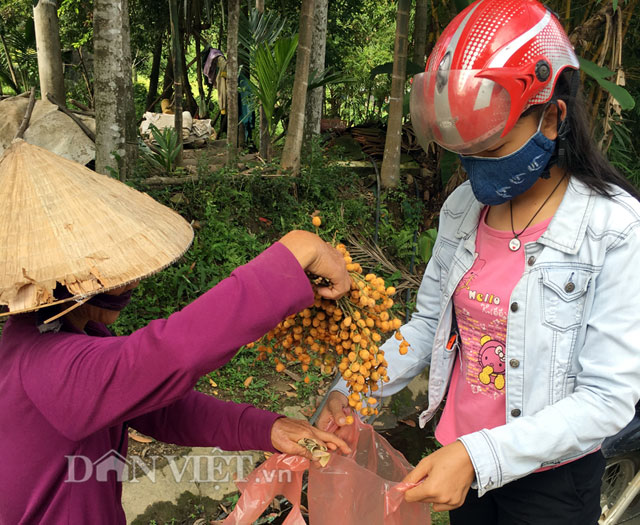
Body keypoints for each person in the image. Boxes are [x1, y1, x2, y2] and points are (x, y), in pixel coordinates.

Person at [316, 1, 640, 523]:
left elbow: (606, 398)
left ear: (553, 117)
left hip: (547, 480)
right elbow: (427, 326)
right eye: (464, 150)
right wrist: (352, 390)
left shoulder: (615, 229)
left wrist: (480, 456)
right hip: (457, 457)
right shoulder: (463, 208)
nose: (476, 169)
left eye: (492, 147)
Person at [0, 139, 350, 524]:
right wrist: (295, 252)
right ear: (70, 279)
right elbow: (168, 356)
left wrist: (268, 429)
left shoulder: (64, 334)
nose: (131, 282)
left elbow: (159, 408)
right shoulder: (48, 365)